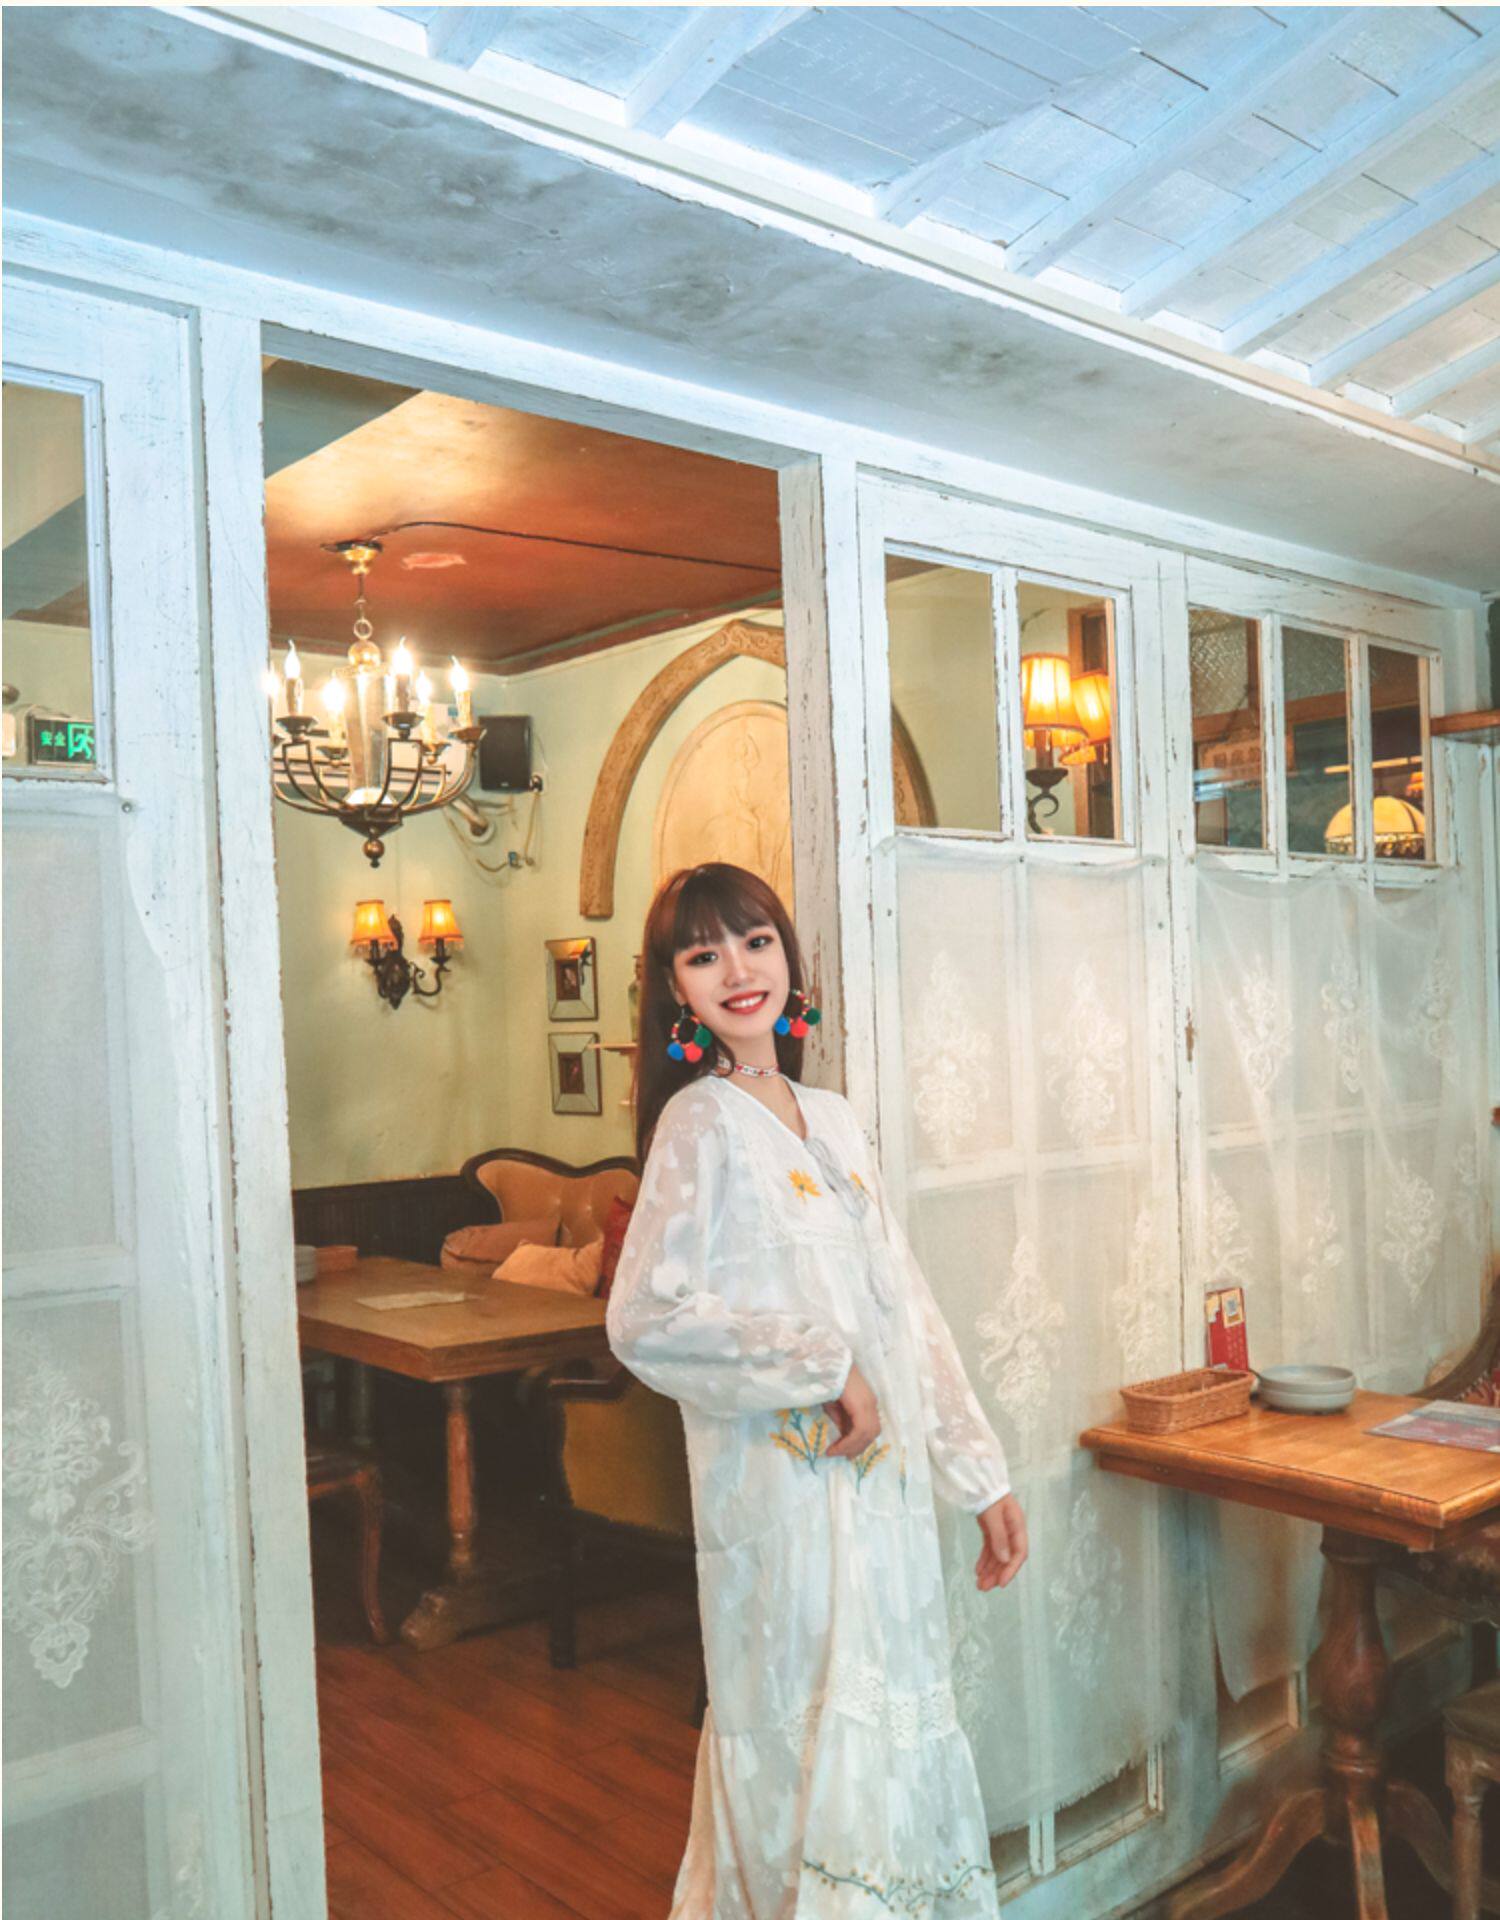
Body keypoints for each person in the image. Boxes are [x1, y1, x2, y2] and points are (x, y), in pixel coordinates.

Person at [606, 861, 1028, 1919]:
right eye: (703, 955)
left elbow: (906, 1305)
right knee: (799, 1756)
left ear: (790, 960)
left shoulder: (834, 1119)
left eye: (755, 942)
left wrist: (979, 1475)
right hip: (783, 1509)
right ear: (675, 989)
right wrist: (824, 1364)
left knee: (885, 1742)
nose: (737, 970)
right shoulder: (699, 1123)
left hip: (884, 1507)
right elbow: (644, 1318)